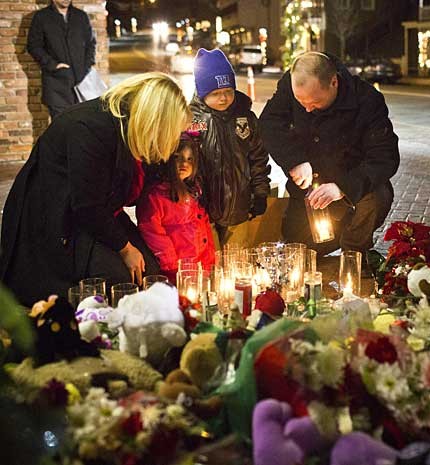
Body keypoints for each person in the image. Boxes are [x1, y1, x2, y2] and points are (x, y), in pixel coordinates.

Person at [0, 72, 191, 307]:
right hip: (57, 217)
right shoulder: (91, 128)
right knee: (121, 281)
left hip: (99, 210)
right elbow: (87, 205)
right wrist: (125, 248)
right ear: (154, 119)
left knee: (151, 274)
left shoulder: (128, 126)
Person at [258, 52, 400, 266]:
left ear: (334, 82)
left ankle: (353, 252)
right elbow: (269, 124)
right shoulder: (292, 84)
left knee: (377, 196)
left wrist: (343, 188)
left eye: (314, 101)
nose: (306, 108)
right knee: (301, 253)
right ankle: (329, 240)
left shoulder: (366, 100)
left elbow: (384, 156)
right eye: (300, 102)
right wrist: (295, 160)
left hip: (350, 193)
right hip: (310, 194)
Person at [189, 48, 271, 247]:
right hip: (203, 211)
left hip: (240, 207)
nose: (223, 98)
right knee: (211, 264)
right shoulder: (191, 122)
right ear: (202, 93)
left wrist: (260, 193)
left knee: (238, 265)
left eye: (228, 91)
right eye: (215, 93)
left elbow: (258, 158)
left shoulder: (246, 119)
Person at [136, 134, 216, 282]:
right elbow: (152, 230)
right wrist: (170, 263)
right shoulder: (156, 195)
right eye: (178, 157)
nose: (184, 163)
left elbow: (204, 228)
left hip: (198, 266)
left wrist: (209, 260)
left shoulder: (195, 192)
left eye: (189, 159)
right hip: (175, 269)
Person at [27, 0, 97, 119]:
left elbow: (91, 44)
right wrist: (53, 65)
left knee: (83, 123)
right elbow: (34, 46)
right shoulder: (41, 17)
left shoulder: (81, 16)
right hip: (56, 83)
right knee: (61, 124)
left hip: (81, 80)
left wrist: (87, 66)